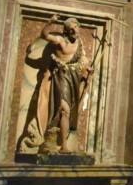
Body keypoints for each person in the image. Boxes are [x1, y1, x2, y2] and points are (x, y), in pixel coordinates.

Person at [28, 16, 92, 154]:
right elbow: (44, 35)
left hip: (73, 78)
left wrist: (87, 68)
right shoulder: (61, 41)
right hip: (61, 76)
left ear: (78, 28)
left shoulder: (80, 42)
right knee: (65, 110)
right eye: (70, 29)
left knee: (69, 111)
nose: (73, 30)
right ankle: (64, 146)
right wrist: (50, 22)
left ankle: (63, 143)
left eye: (75, 27)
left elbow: (80, 60)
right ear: (66, 31)